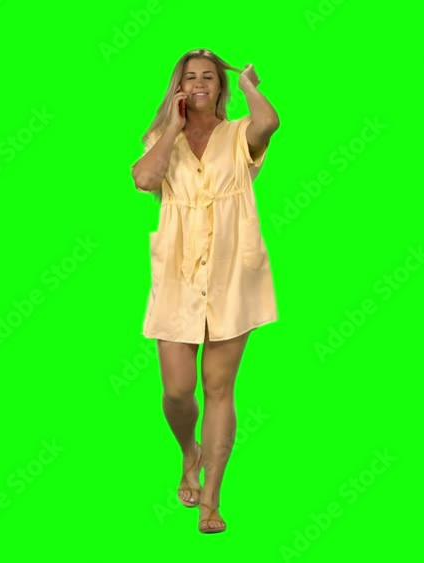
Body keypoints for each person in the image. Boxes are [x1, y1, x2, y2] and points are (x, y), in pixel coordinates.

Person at [130, 48, 279, 534]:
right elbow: (143, 179)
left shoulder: (239, 133)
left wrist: (250, 85)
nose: (199, 83)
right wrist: (172, 126)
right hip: (177, 277)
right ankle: (188, 452)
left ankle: (212, 498)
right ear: (178, 86)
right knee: (177, 391)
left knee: (219, 388)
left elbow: (269, 123)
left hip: (233, 275)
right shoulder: (161, 139)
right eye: (190, 76)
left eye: (208, 77)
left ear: (220, 86)